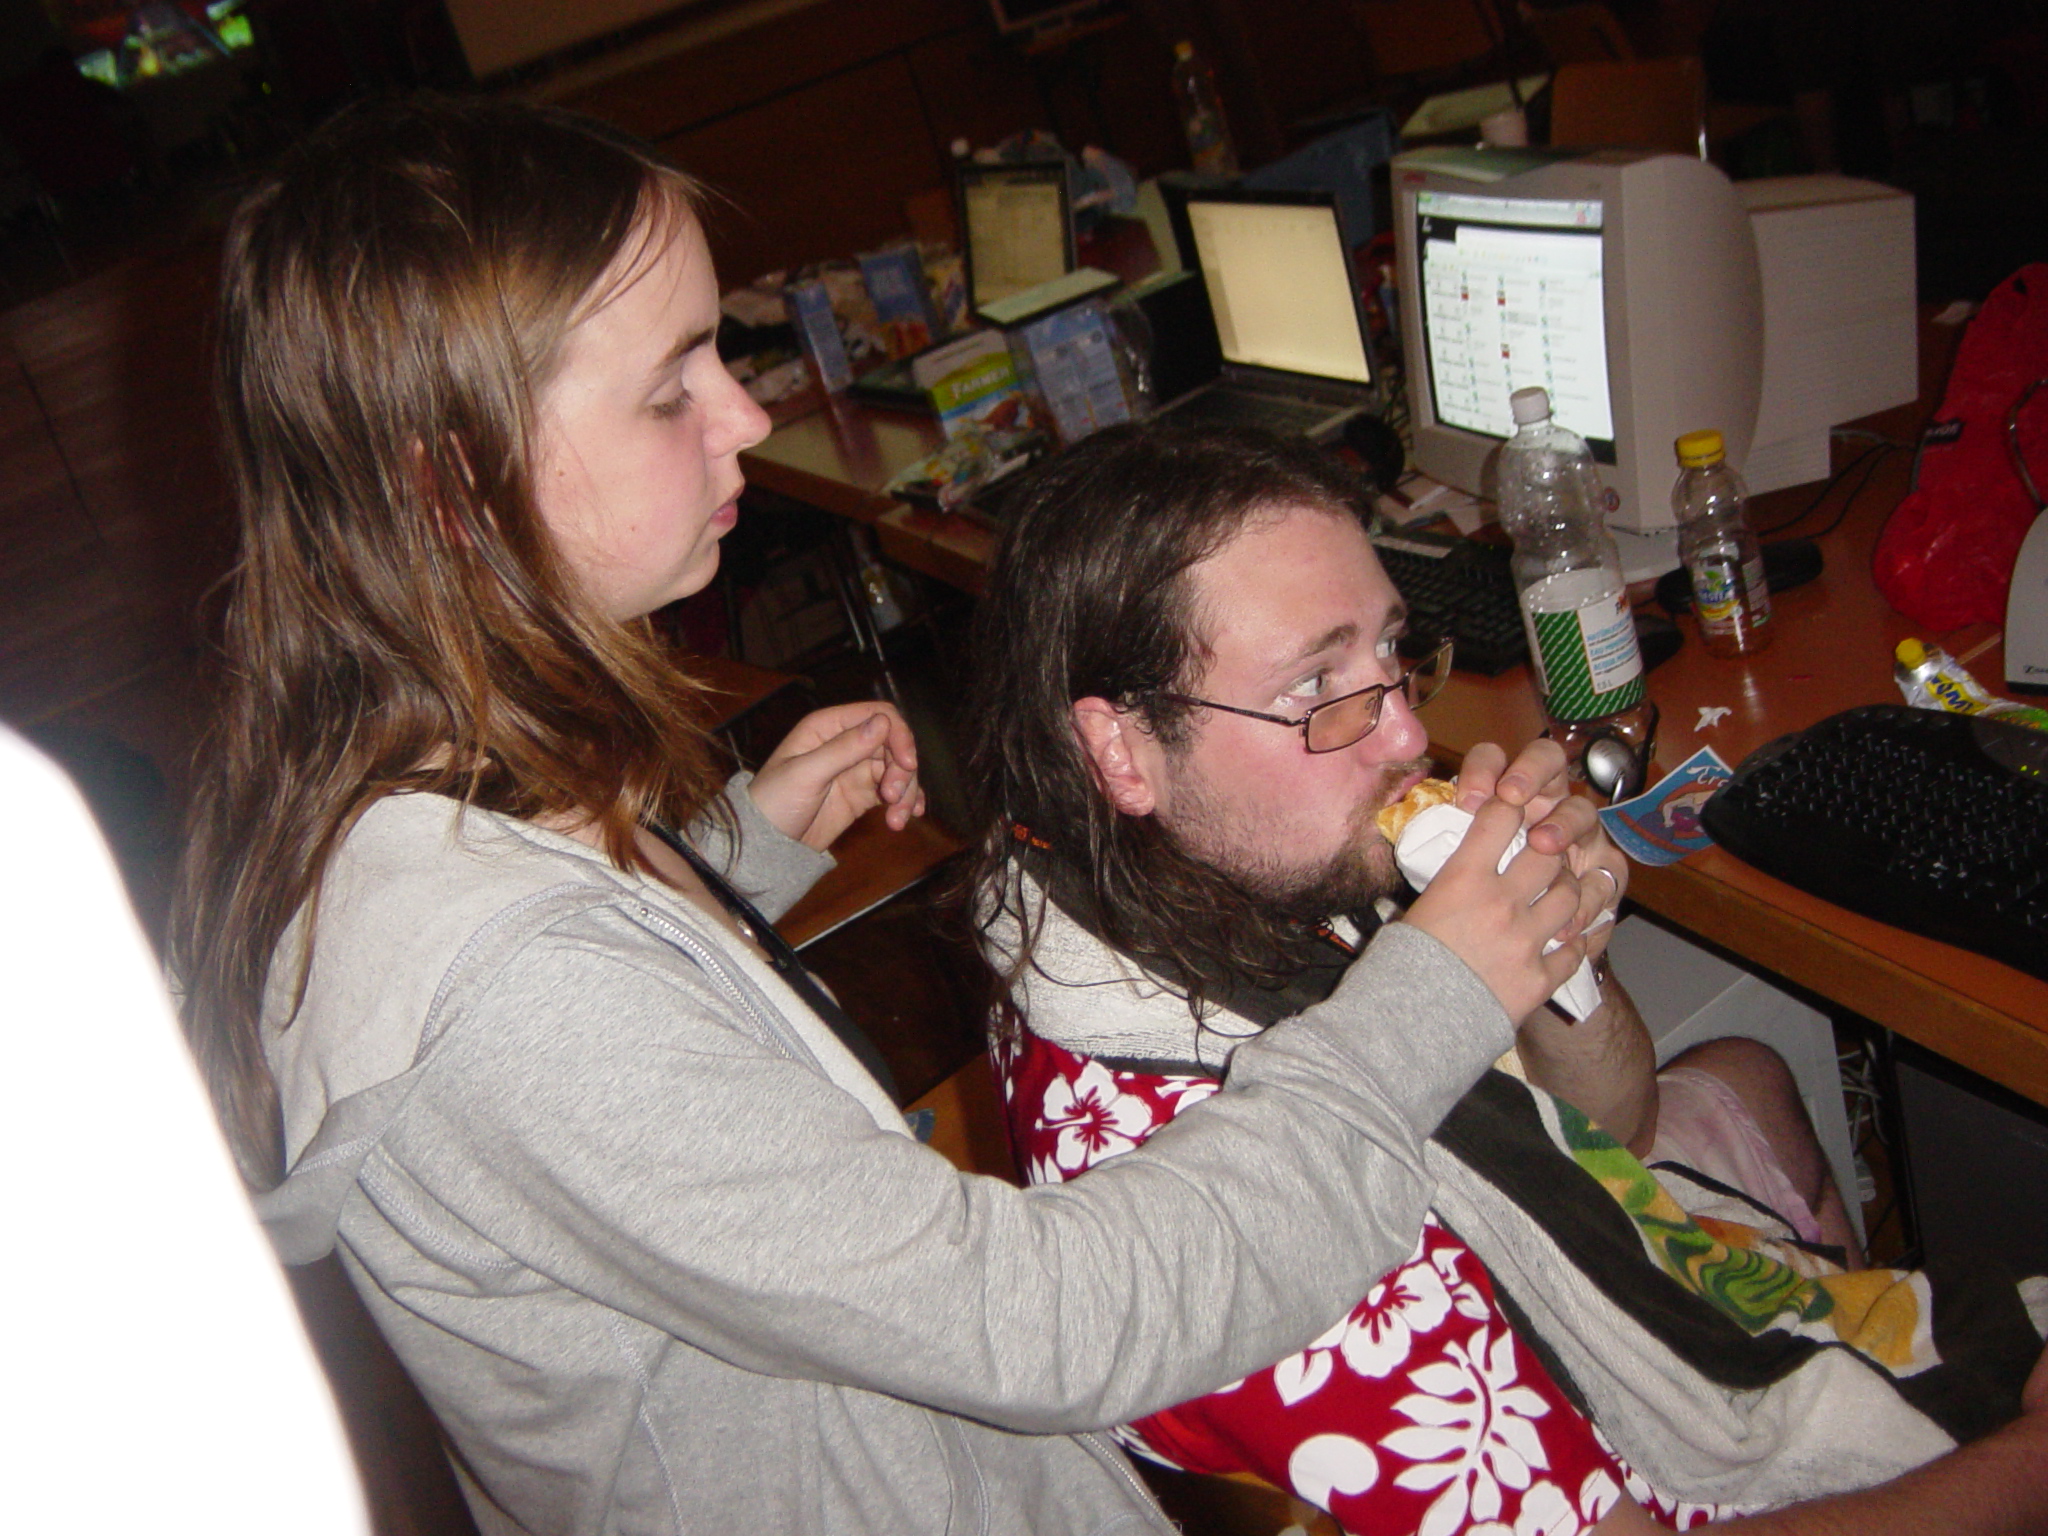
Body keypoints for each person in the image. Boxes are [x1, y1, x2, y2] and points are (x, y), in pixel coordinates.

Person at [170, 95, 1622, 1536]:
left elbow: (613, 1026)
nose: (747, 414)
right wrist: (1435, 992)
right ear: (452, 484)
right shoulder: (513, 995)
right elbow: (1049, 1324)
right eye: (672, 390)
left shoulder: (425, 791)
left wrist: (731, 855)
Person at [961, 420, 2048, 1535]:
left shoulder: (1191, 869)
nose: (1403, 738)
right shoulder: (1230, 1243)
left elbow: (1610, 1130)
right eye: (1316, 682)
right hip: (1679, 1479)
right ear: (1121, 751)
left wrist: (1558, 952)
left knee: (1749, 1072)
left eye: (1390, 651)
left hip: (1643, 1290)